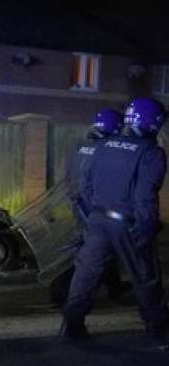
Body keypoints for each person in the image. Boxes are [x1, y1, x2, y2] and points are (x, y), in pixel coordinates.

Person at [61, 97, 169, 348]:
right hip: (127, 224)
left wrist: (93, 217)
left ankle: (72, 325)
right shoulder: (151, 153)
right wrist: (146, 229)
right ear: (151, 122)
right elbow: (145, 197)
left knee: (85, 275)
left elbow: (85, 186)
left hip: (97, 220)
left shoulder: (104, 145)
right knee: (146, 277)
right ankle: (159, 331)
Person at [49, 108, 128, 304]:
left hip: (79, 207)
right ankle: (66, 294)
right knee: (94, 252)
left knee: (101, 249)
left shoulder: (81, 146)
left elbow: (70, 177)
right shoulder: (105, 150)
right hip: (95, 210)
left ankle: (114, 286)